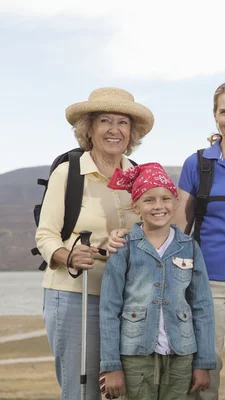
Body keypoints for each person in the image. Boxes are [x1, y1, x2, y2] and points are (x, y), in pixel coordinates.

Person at [108, 80, 225, 400]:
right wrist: (132, 234)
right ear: (215, 115)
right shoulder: (198, 164)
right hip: (201, 284)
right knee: (201, 376)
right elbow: (174, 229)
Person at [35, 87, 154, 399]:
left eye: (123, 123)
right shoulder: (69, 172)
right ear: (89, 128)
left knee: (127, 389)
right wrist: (69, 255)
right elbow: (45, 235)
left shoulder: (140, 177)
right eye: (105, 121)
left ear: (133, 132)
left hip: (129, 298)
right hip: (75, 293)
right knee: (81, 390)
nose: (114, 130)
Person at [99, 162, 216, 399]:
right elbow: (109, 309)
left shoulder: (190, 248)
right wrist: (111, 365)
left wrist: (203, 362)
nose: (158, 206)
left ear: (175, 202)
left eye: (165, 198)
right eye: (148, 200)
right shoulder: (124, 247)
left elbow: (202, 308)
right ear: (135, 205)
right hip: (135, 357)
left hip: (182, 356)